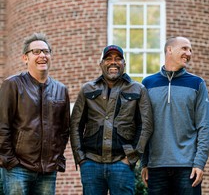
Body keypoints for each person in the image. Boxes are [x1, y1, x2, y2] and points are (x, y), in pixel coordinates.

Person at [70, 45, 153, 195]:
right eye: (108, 59)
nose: (113, 62)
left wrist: (132, 157)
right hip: (91, 163)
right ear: (101, 64)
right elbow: (75, 125)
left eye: (118, 59)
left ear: (124, 64)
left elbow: (146, 126)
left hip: (122, 163)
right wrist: (81, 158)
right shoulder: (87, 89)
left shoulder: (138, 89)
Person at [141, 36, 209, 195]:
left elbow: (205, 125)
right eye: (185, 48)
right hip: (156, 166)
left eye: (190, 50)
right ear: (169, 50)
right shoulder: (147, 84)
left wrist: (199, 163)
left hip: (187, 167)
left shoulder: (197, 83)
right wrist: (144, 162)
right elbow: (144, 126)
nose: (189, 53)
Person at [0, 32, 70, 195]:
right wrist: (9, 160)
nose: (42, 56)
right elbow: (2, 126)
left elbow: (64, 130)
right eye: (36, 52)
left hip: (48, 170)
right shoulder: (13, 85)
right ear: (25, 58)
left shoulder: (61, 90)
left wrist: (56, 158)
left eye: (46, 51)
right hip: (17, 168)